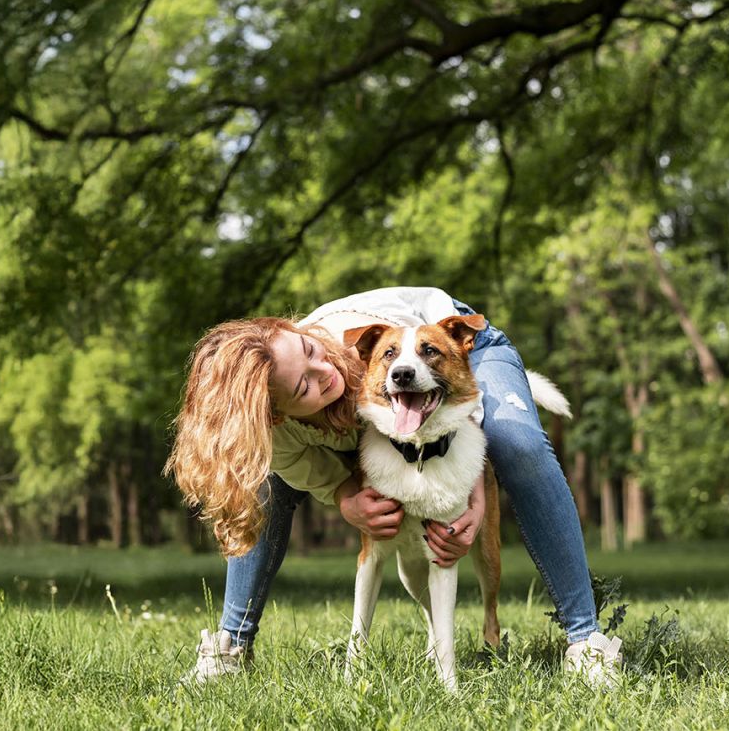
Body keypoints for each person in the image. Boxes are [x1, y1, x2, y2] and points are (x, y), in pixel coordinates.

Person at [164, 287, 623, 688]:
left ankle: (587, 641)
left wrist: (475, 495)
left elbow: (448, 388)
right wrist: (346, 497)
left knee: (518, 444)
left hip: (455, 345)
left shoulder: (367, 343)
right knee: (265, 482)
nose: (322, 370)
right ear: (277, 416)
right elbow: (314, 470)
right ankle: (231, 646)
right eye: (304, 385)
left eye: (308, 349)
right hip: (402, 407)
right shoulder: (277, 434)